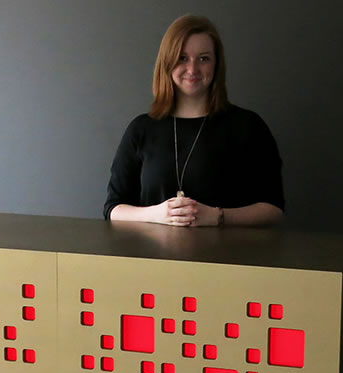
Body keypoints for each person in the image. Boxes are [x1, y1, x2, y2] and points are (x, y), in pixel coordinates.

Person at [104, 15, 285, 227]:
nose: (192, 69)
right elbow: (113, 209)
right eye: (182, 58)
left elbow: (274, 209)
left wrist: (217, 216)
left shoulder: (248, 126)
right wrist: (157, 214)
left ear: (216, 64)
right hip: (152, 249)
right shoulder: (141, 128)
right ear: (167, 62)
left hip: (229, 249)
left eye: (204, 58)